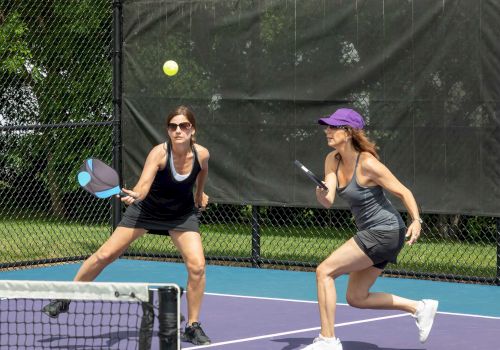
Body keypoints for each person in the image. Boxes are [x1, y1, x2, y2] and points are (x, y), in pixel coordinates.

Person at [42, 105, 212, 345]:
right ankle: (66, 296)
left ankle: (193, 326)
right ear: (168, 130)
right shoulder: (159, 154)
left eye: (183, 126)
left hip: (181, 215)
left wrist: (200, 194)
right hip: (146, 210)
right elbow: (144, 184)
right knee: (105, 254)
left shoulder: (202, 154)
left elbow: (202, 171)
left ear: (192, 129)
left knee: (197, 267)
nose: (178, 130)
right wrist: (138, 195)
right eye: (173, 126)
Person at [302, 108, 438, 350]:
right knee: (356, 297)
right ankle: (419, 307)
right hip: (377, 233)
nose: (328, 131)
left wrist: (417, 220)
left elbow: (403, 191)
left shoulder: (367, 163)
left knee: (324, 271)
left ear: (349, 132)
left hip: (385, 230)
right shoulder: (331, 159)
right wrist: (320, 191)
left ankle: (328, 340)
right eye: (327, 126)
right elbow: (328, 199)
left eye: (334, 127)